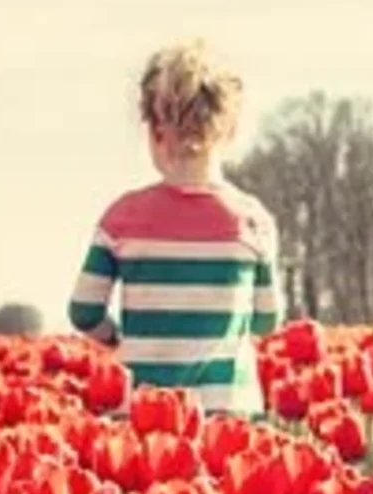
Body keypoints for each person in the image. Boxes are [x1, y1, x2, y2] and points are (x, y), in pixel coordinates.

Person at [68, 41, 283, 416]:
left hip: (142, 409)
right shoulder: (252, 221)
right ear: (230, 132)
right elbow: (268, 318)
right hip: (227, 409)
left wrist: (120, 339)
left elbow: (83, 310)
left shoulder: (122, 219)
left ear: (153, 132)